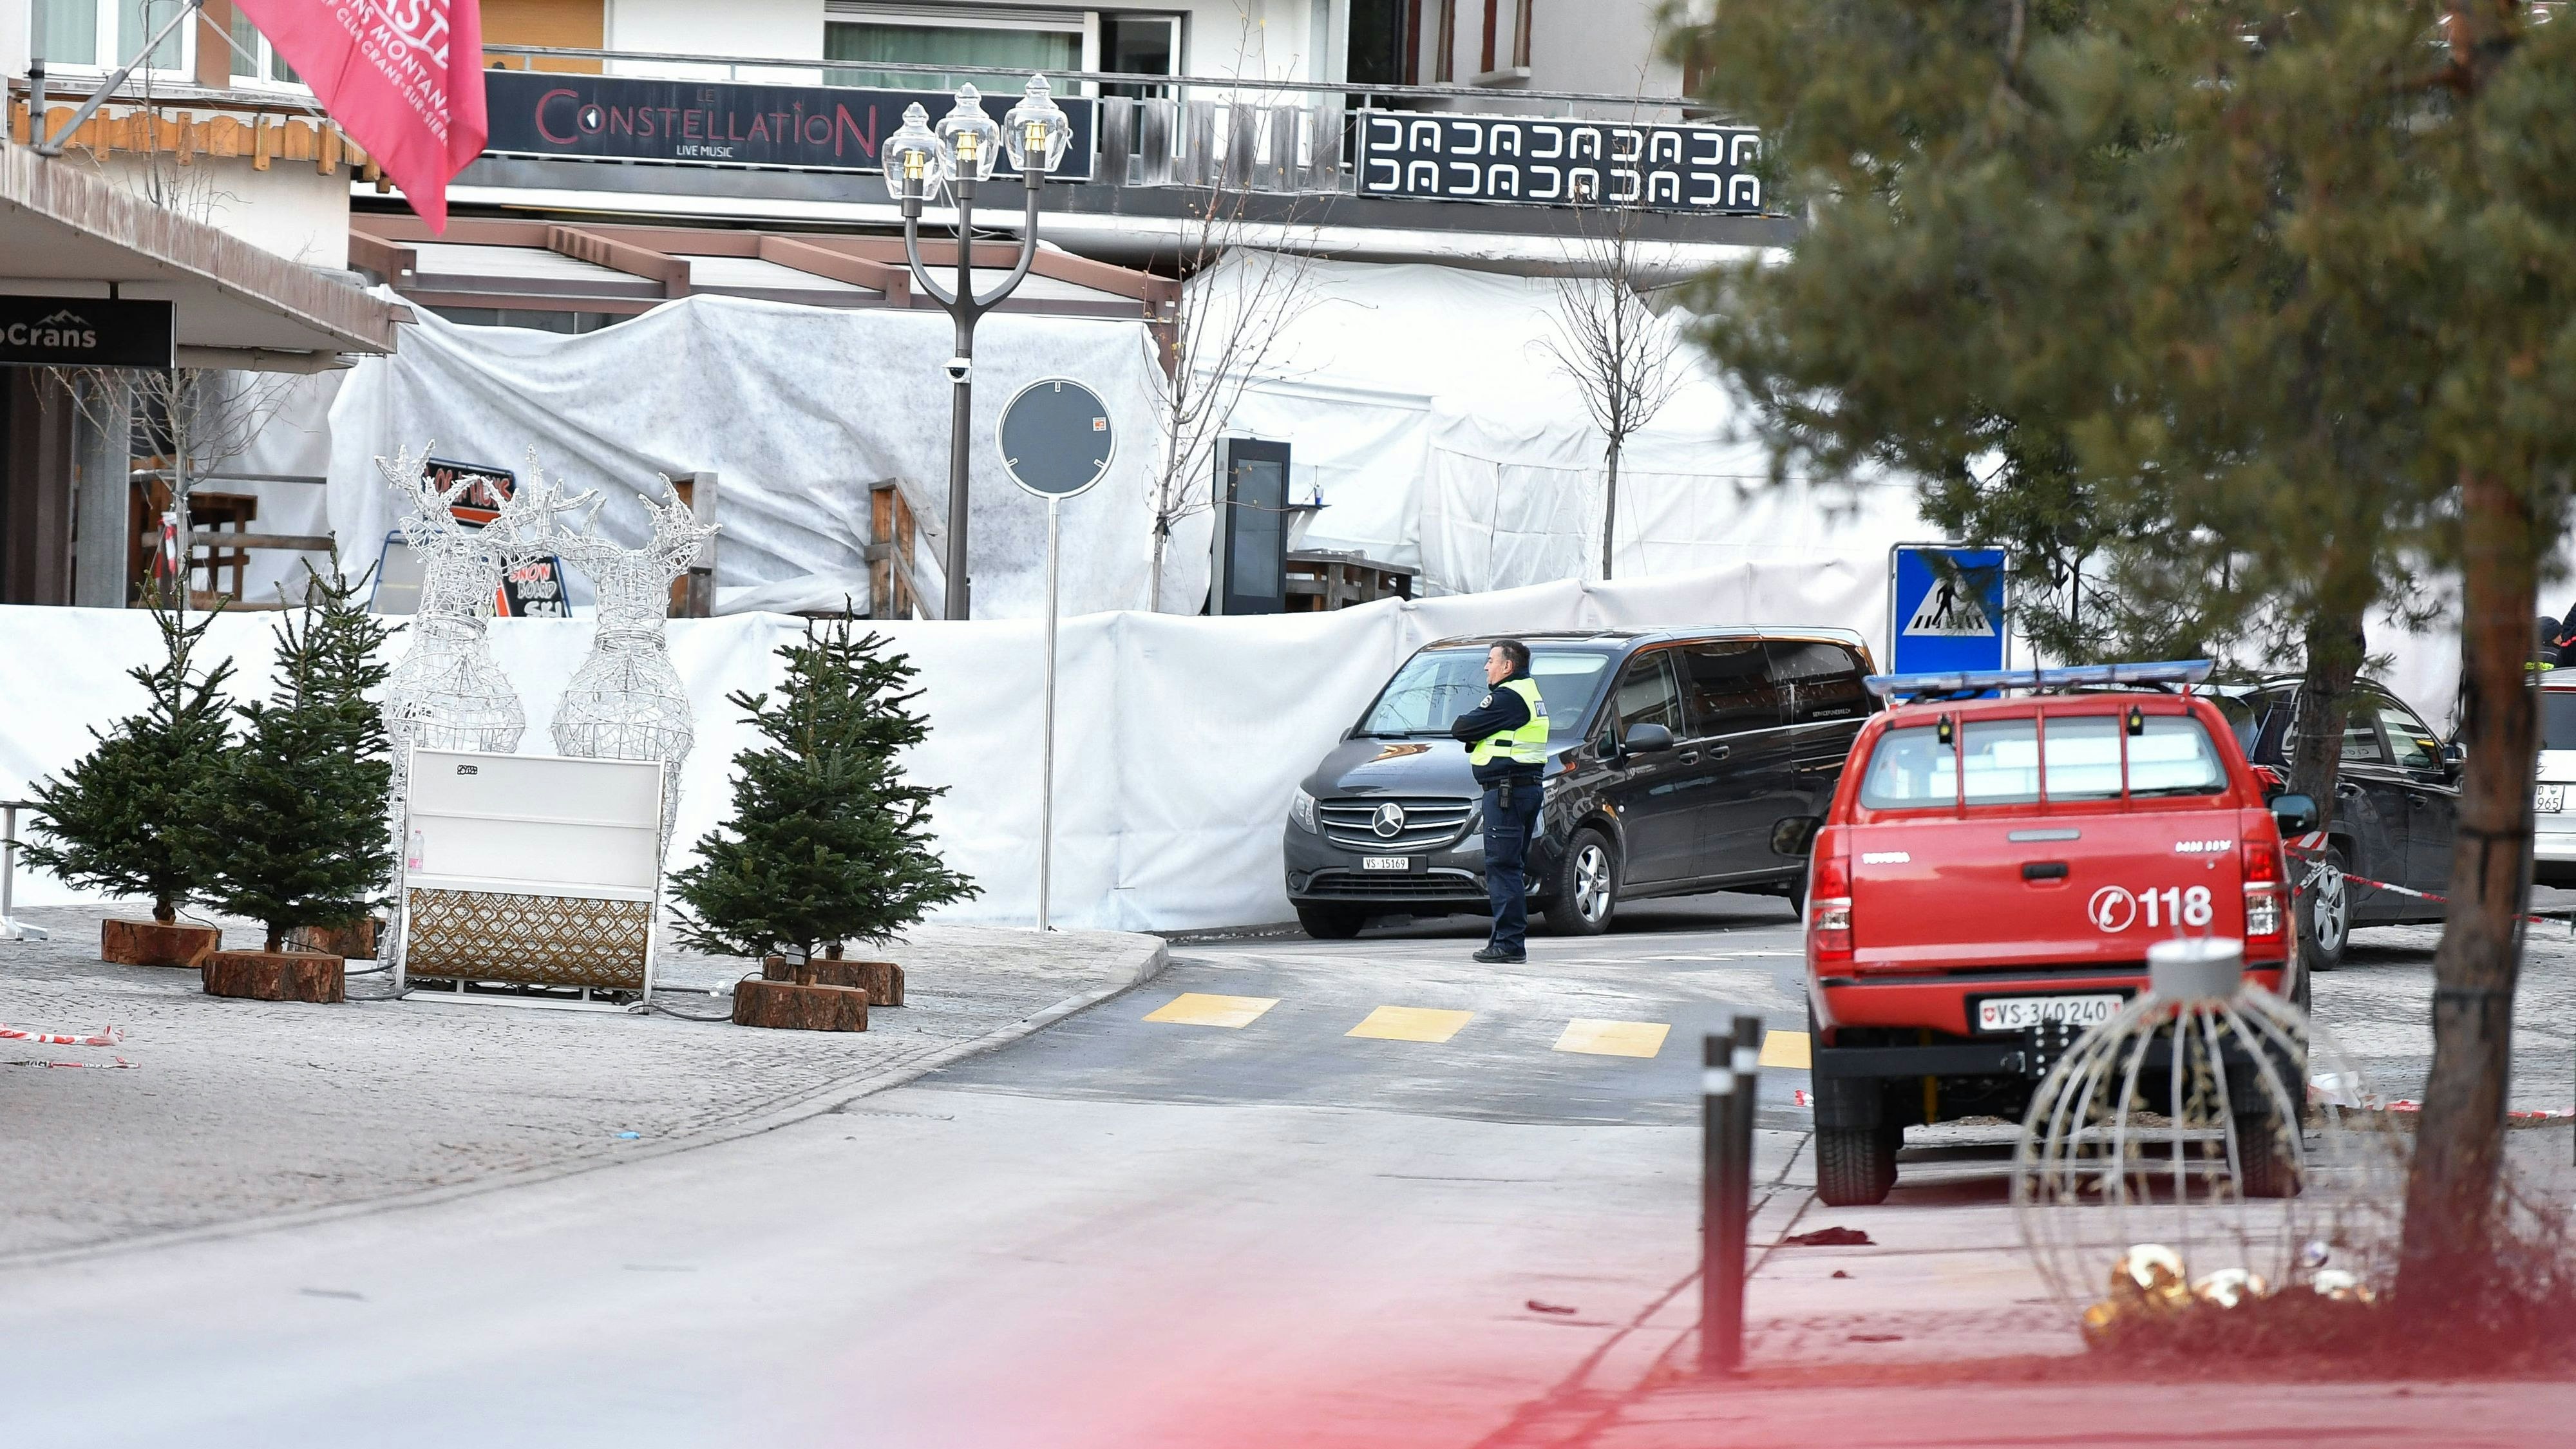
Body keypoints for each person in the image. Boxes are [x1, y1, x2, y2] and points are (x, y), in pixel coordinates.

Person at [1448, 639, 1549, 963]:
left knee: (1503, 868)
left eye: (1491, 660)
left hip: (1507, 791)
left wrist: (1477, 732)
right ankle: (1504, 940)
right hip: (1522, 789)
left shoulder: (1508, 697)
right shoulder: (1528, 693)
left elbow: (1462, 727)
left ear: (1508, 666)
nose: (1486, 667)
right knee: (1510, 867)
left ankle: (1509, 944)